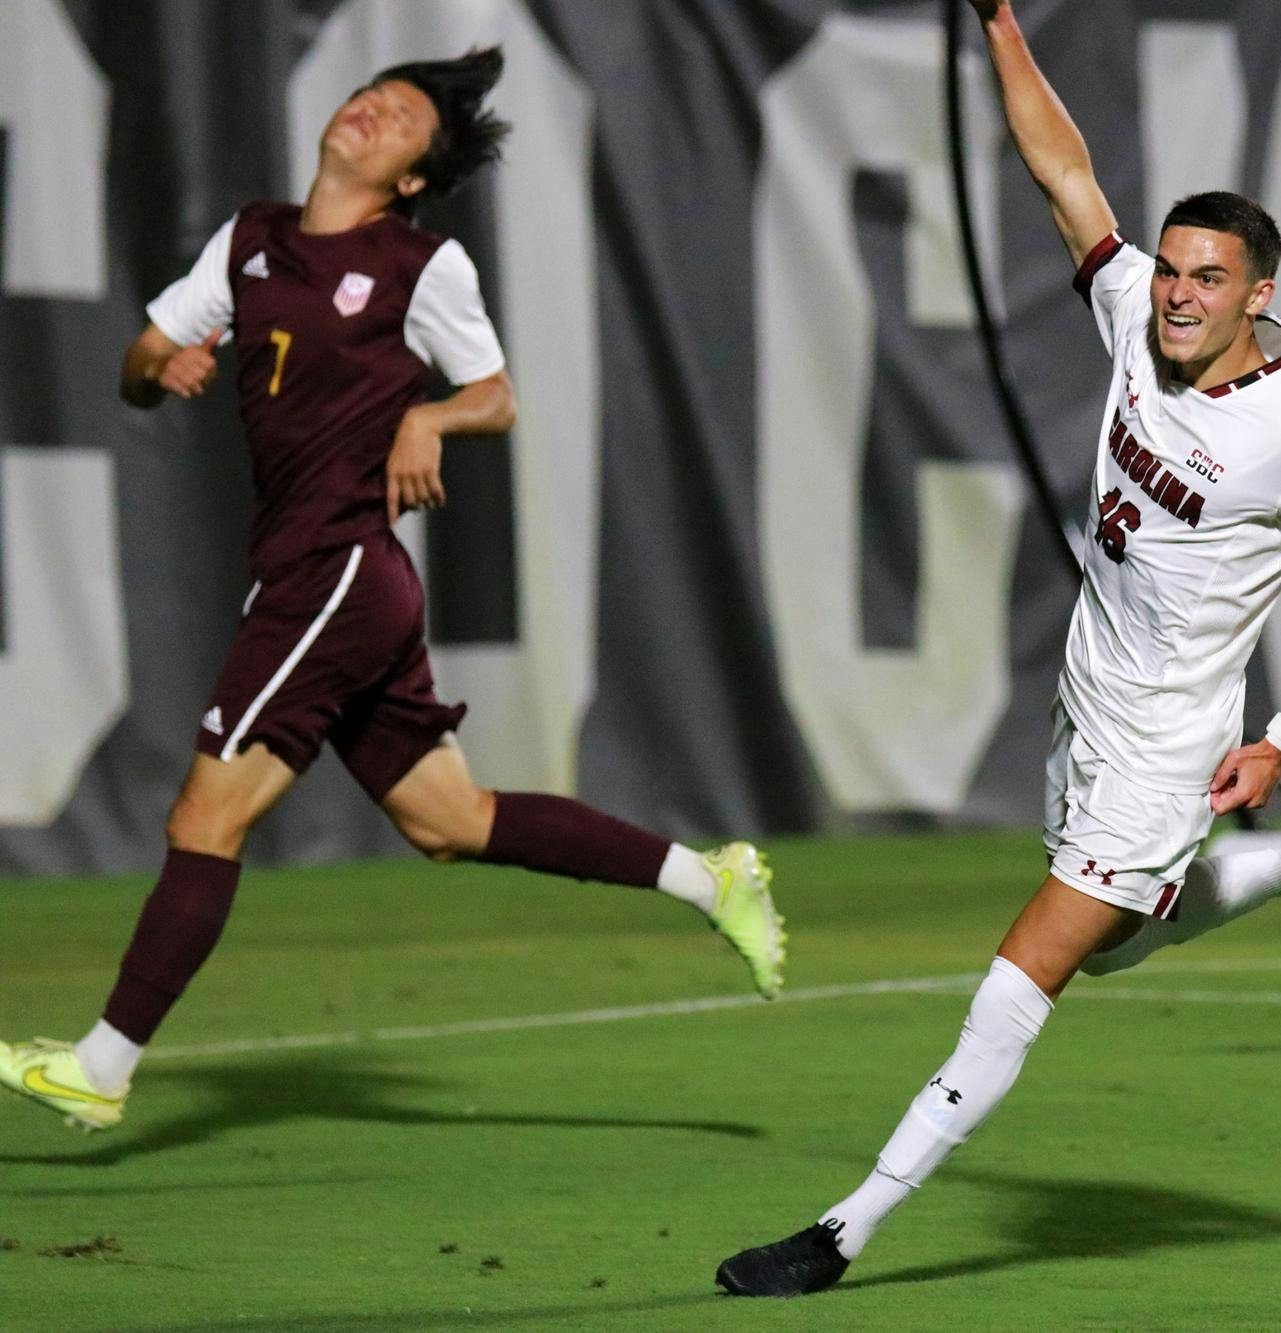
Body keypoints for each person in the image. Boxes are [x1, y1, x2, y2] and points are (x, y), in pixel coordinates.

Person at [713, 0, 1281, 1297]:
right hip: (1084, 696)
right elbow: (1062, 168)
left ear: (1263, 296)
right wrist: (996, 28)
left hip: (1169, 740)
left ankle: (843, 1228)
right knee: (1112, 943)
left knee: (1033, 958)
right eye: (1171, 270)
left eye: (1210, 280)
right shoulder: (1140, 319)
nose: (1178, 296)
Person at [0, 47, 784, 1134]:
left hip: (338, 571)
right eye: (374, 94)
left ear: (414, 176)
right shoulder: (251, 239)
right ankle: (711, 881)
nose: (372, 111)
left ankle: (100, 1064)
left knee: (204, 813)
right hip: (319, 576)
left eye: (405, 118)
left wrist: (427, 416)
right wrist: (156, 366)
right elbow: (144, 359)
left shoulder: (422, 265)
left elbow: (496, 394)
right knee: (449, 819)